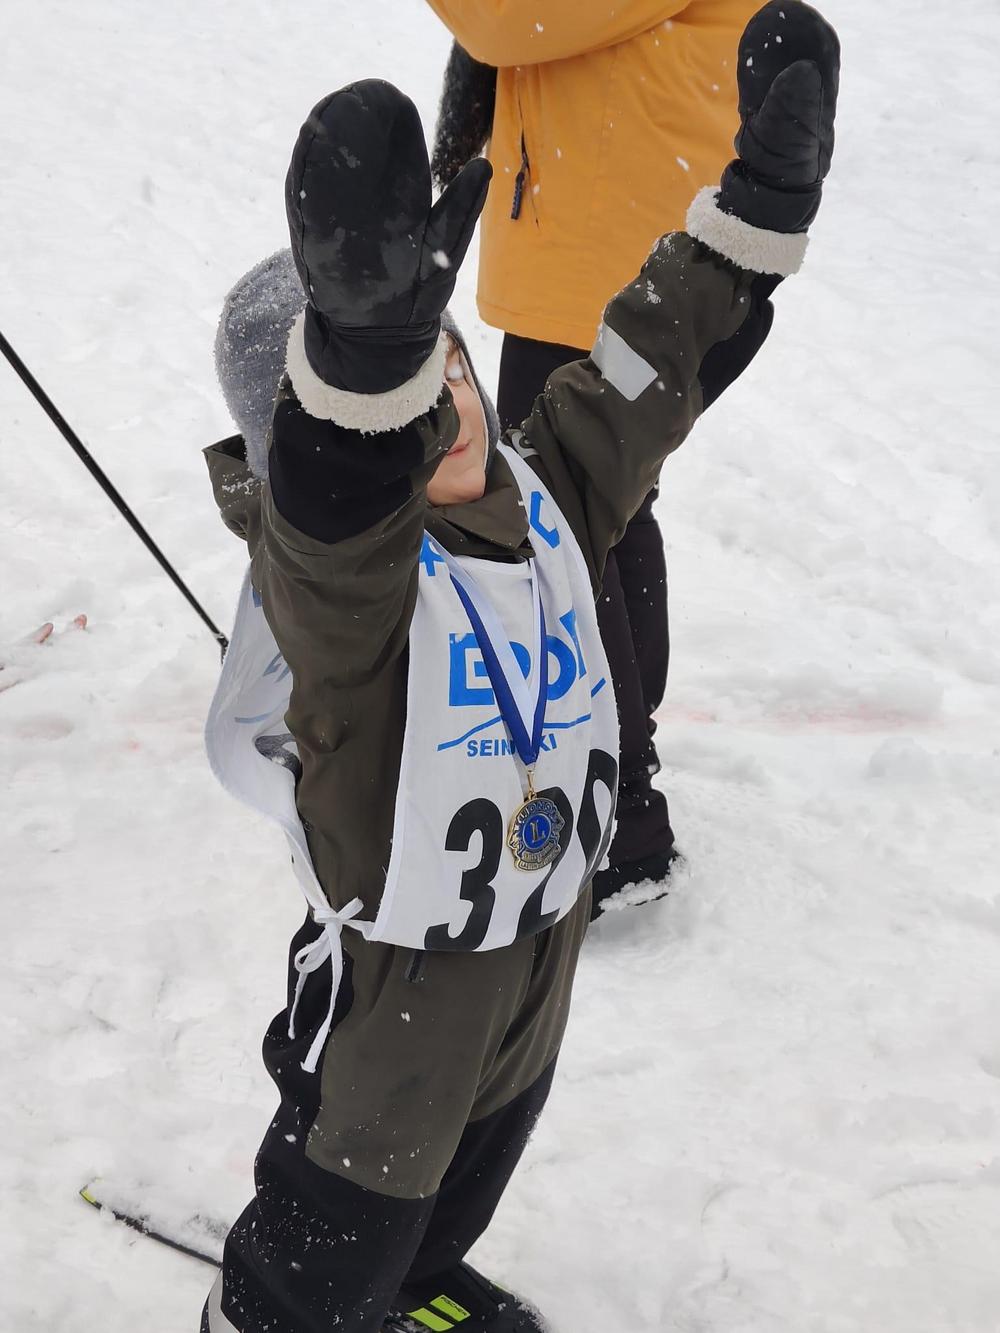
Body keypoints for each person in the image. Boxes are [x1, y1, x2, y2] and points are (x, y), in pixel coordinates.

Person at [201, 6, 839, 1329]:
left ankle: (422, 1279)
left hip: (532, 951)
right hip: (402, 997)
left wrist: (751, 220)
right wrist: (361, 375)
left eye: (450, 366)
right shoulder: (344, 597)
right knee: (336, 1232)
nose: (449, 403)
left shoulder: (544, 487)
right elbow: (332, 523)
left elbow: (646, 365)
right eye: (400, 391)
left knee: (468, 1173)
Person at [426, 0, 762, 913]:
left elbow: (509, 20)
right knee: (605, 504)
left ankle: (617, 813)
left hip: (606, 231)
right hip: (608, 216)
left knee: (560, 514)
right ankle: (620, 771)